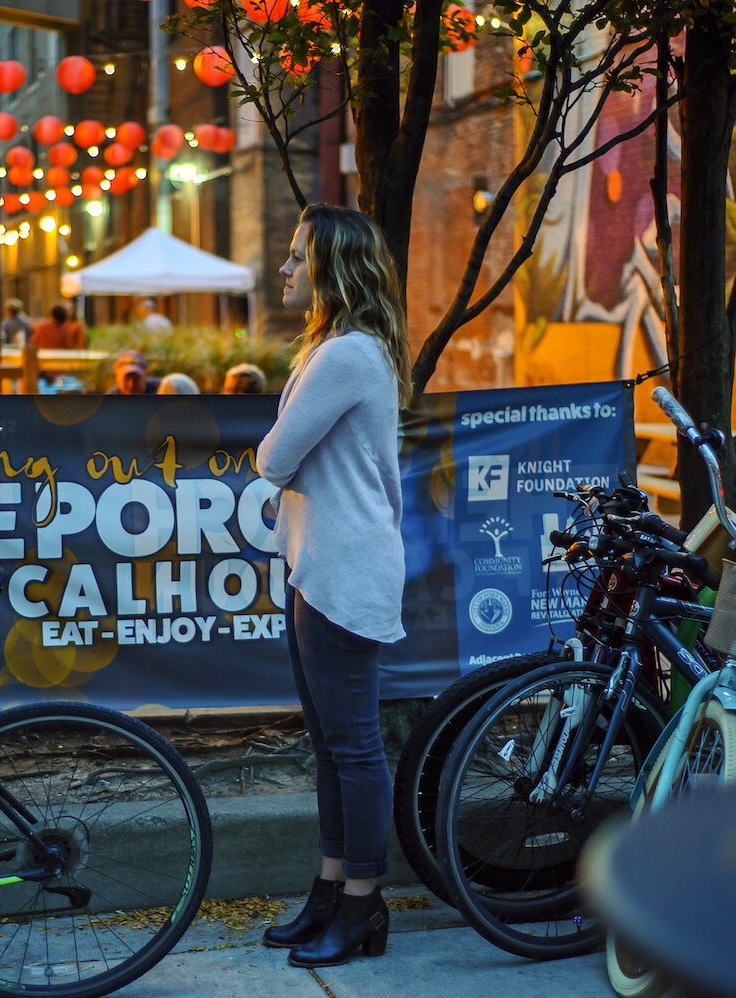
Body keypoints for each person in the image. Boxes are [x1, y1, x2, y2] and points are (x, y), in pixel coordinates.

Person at [255, 203, 412, 969]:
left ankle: (361, 904)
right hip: (320, 566)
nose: (285, 269)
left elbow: (275, 460)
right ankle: (329, 891)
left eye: (295, 257)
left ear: (329, 268)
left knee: (352, 748)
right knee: (331, 745)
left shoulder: (347, 355)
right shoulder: (339, 350)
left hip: (343, 573)